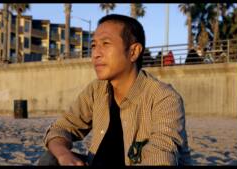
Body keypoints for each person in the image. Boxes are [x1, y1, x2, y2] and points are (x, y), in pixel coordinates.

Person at [39, 14, 191, 166]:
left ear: (133, 52)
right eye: (93, 45)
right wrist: (64, 155)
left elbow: (160, 158)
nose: (96, 54)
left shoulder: (164, 98)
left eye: (105, 44)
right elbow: (60, 128)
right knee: (51, 158)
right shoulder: (97, 89)